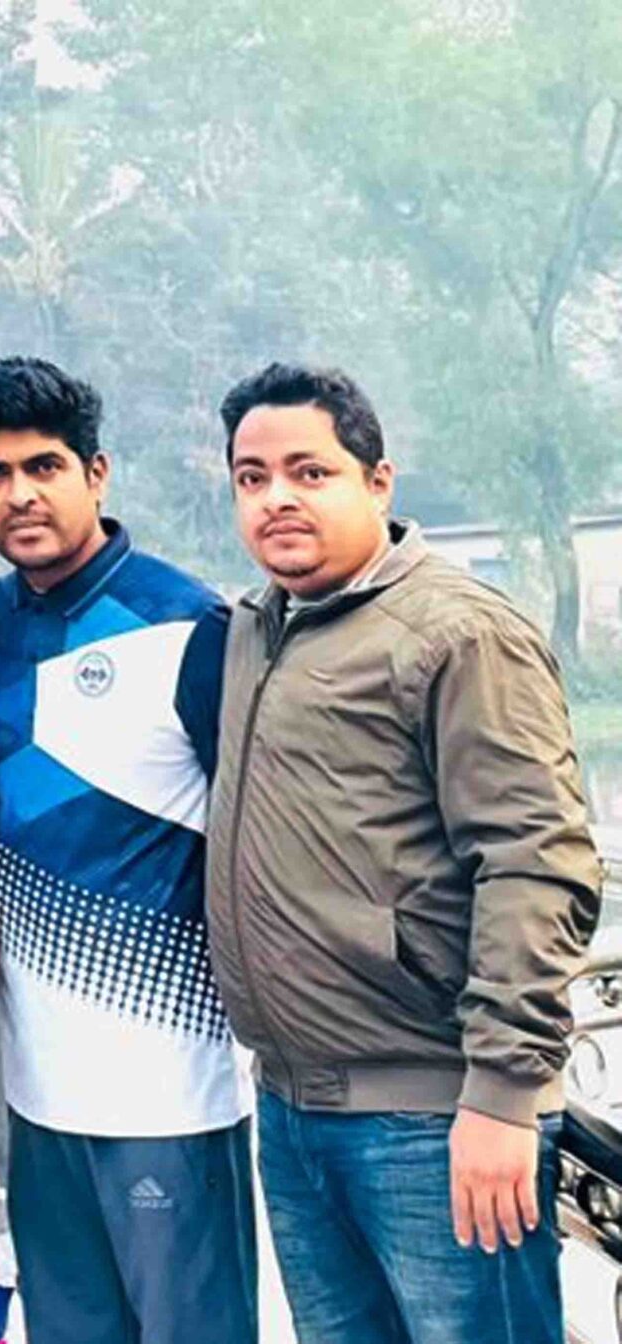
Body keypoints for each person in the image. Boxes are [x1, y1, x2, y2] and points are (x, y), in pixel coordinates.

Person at [209, 361, 599, 1344]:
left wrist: (503, 1098)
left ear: (377, 482)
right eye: (252, 478)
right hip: (294, 1112)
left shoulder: (457, 635)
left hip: (436, 1118)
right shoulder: (257, 628)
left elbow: (536, 862)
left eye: (310, 471)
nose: (277, 498)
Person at [0, 357, 254, 1344]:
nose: (20, 495)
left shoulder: (191, 627)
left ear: (96, 472)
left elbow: (261, 846)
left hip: (173, 1091)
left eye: (43, 467)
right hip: (38, 1102)